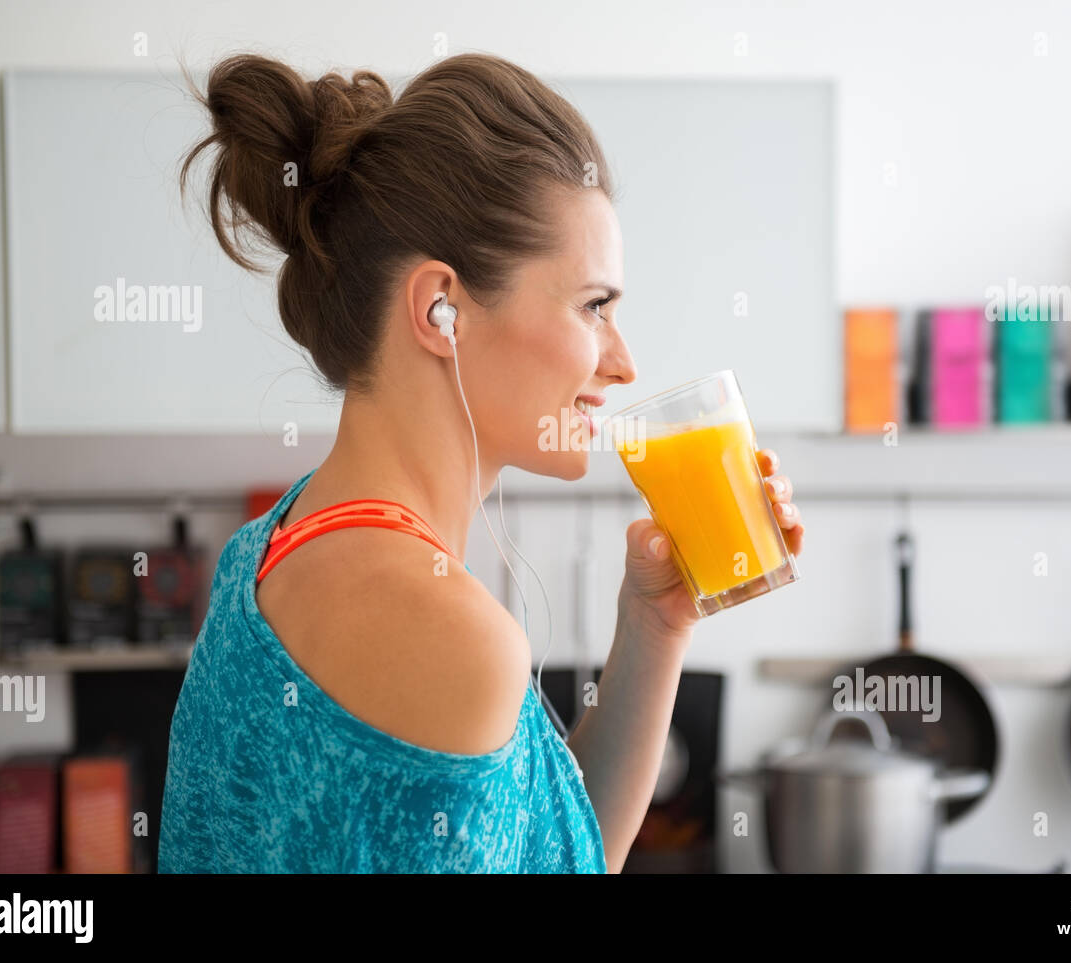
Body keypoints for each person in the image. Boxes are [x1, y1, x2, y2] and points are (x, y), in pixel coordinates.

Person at [158, 50, 804, 874]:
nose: (624, 362)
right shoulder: (450, 635)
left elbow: (559, 847)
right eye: (593, 307)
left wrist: (656, 622)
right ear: (441, 310)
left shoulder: (268, 546)